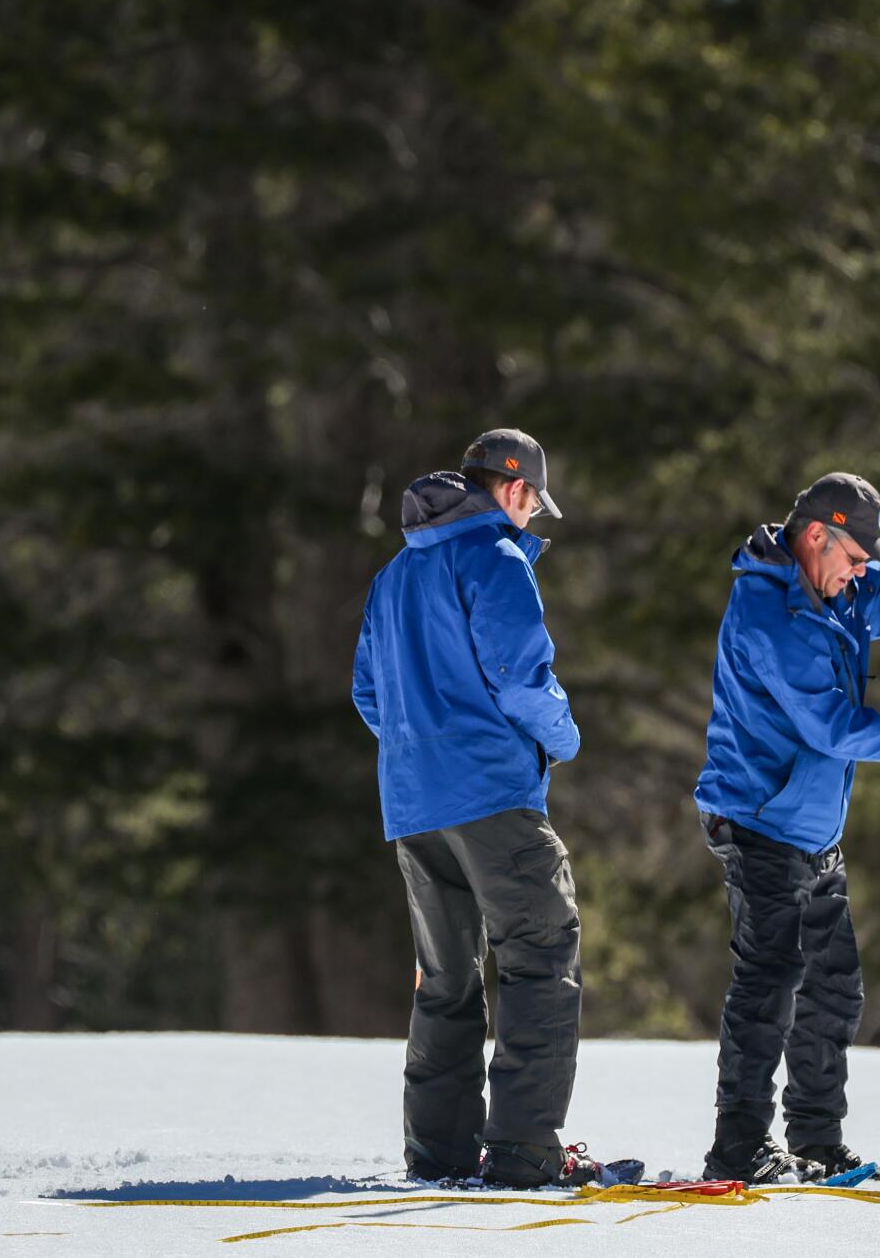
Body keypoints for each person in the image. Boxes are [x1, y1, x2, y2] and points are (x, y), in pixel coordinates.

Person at [693, 471, 880, 1183]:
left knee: (834, 987)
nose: (861, 573)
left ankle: (816, 1139)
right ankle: (738, 1144)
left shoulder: (840, 595)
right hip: (761, 821)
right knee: (769, 982)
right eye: (856, 557)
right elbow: (830, 727)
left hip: (814, 828)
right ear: (817, 535)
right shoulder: (771, 612)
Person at [351, 428, 617, 1189]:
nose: (533, 519)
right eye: (534, 502)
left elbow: (368, 692)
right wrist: (562, 739)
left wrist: (421, 749)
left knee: (445, 979)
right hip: (493, 797)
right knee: (539, 958)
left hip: (413, 808)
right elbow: (523, 680)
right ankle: (524, 1151)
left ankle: (439, 1156)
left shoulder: (394, 574)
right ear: (511, 487)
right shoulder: (495, 558)